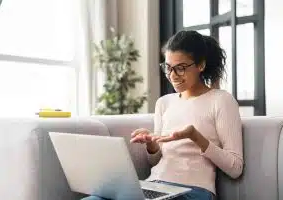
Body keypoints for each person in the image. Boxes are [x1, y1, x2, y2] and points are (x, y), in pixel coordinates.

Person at [82, 31, 243, 200]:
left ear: (200, 65)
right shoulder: (164, 103)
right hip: (155, 185)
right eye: (168, 67)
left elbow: (235, 167)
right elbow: (155, 161)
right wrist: (152, 144)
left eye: (180, 68)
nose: (172, 76)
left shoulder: (221, 100)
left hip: (194, 191)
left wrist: (195, 136)